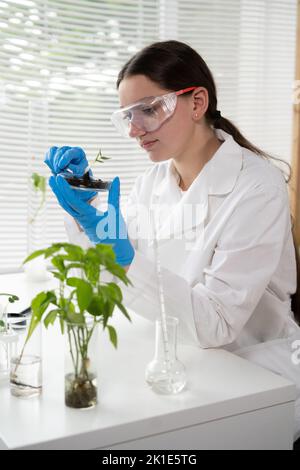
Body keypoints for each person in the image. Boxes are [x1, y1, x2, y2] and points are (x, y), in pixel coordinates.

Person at [45, 40, 300, 445]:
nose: (133, 130)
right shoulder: (152, 183)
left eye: (148, 109)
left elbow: (215, 324)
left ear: (197, 102)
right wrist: (83, 207)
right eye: (127, 116)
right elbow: (109, 281)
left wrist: (124, 258)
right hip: (181, 360)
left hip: (255, 372)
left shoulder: (257, 189)